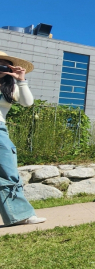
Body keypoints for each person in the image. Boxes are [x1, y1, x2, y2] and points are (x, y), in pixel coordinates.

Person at [0, 51, 46, 226]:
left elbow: (27, 103)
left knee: (8, 172)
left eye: (5, 64)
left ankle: (19, 215)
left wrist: (20, 79)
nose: (1, 67)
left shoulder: (11, 88)